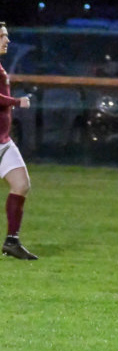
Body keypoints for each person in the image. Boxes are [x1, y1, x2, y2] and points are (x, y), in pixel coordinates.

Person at [0, 22, 36, 260]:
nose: (7, 40)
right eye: (2, 36)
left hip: (3, 142)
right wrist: (17, 102)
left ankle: (12, 242)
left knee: (21, 184)